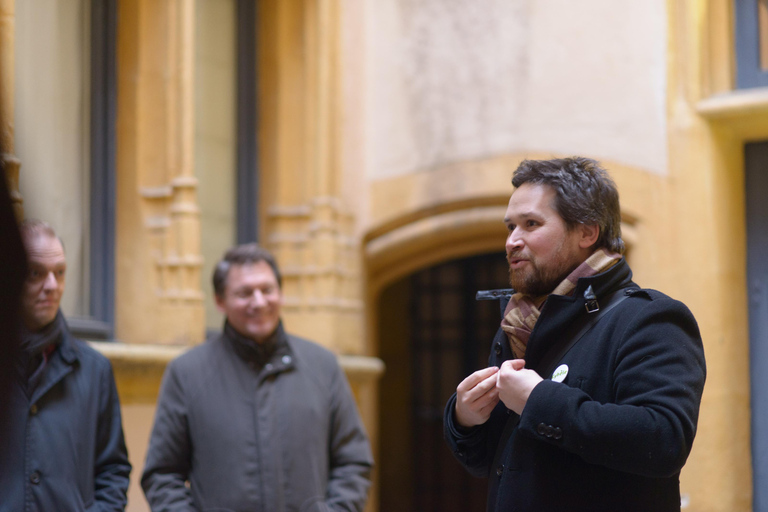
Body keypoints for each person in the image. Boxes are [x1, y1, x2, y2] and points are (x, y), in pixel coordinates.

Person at [443, 157, 706, 511]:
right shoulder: (520, 323)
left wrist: (539, 401)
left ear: (586, 232)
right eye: (510, 227)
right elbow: (494, 465)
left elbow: (663, 440)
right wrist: (465, 419)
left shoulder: (649, 317)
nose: (512, 242)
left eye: (531, 224)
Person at [142, 243, 374, 512]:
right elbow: (162, 474)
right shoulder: (187, 373)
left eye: (267, 290)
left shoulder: (322, 366)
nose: (259, 302)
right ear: (220, 301)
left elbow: (353, 461)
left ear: (281, 293)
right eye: (244, 293)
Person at [0, 219, 131, 512]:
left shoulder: (95, 370)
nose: (52, 286)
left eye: (60, 273)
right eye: (36, 273)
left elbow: (113, 472)